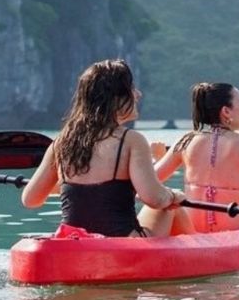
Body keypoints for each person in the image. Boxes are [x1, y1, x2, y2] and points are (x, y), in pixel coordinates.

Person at [21, 59, 186, 237]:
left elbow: (30, 199)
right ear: (116, 99)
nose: (137, 94)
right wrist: (172, 196)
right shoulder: (131, 140)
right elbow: (154, 198)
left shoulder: (61, 143)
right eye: (131, 89)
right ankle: (202, 258)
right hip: (122, 244)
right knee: (170, 209)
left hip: (73, 241)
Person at [138, 82, 239, 234]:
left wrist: (157, 158)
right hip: (229, 236)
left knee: (167, 199)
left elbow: (147, 184)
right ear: (226, 112)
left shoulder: (186, 141)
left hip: (191, 232)